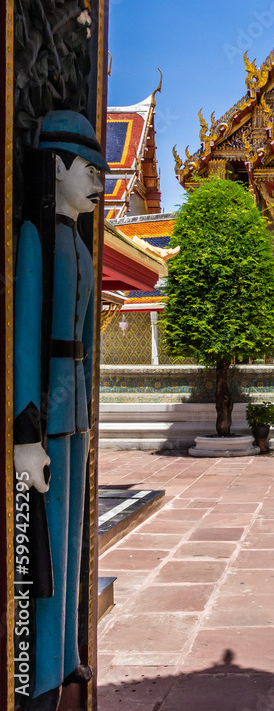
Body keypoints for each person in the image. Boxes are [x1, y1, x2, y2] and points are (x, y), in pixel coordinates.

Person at [13, 111, 109, 711]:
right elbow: (25, 338)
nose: (100, 181)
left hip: (73, 414)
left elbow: (91, 345)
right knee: (43, 546)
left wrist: (90, 419)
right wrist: (26, 432)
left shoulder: (81, 247)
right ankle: (39, 672)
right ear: (56, 167)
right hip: (44, 416)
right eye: (89, 169)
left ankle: (69, 655)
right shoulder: (36, 241)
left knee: (74, 543)